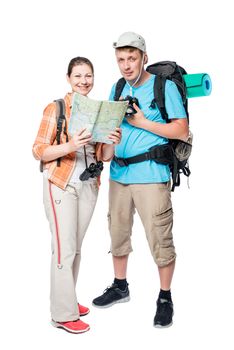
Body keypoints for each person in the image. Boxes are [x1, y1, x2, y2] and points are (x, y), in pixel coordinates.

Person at [92, 32, 189, 328]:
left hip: (151, 175)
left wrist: (141, 122)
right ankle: (120, 286)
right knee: (117, 232)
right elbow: (108, 132)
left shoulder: (164, 86)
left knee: (159, 237)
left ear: (144, 57)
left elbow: (181, 130)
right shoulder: (117, 87)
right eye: (121, 60)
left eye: (131, 58)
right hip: (119, 174)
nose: (126, 65)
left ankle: (164, 297)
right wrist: (107, 142)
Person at [32, 56, 121, 334]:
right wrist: (70, 144)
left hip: (88, 185)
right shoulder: (55, 108)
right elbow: (39, 150)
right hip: (61, 183)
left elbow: (104, 158)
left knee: (75, 247)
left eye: (89, 76)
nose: (84, 81)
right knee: (64, 248)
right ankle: (62, 313)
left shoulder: (97, 111)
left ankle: (66, 298)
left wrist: (111, 142)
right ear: (69, 78)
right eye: (78, 76)